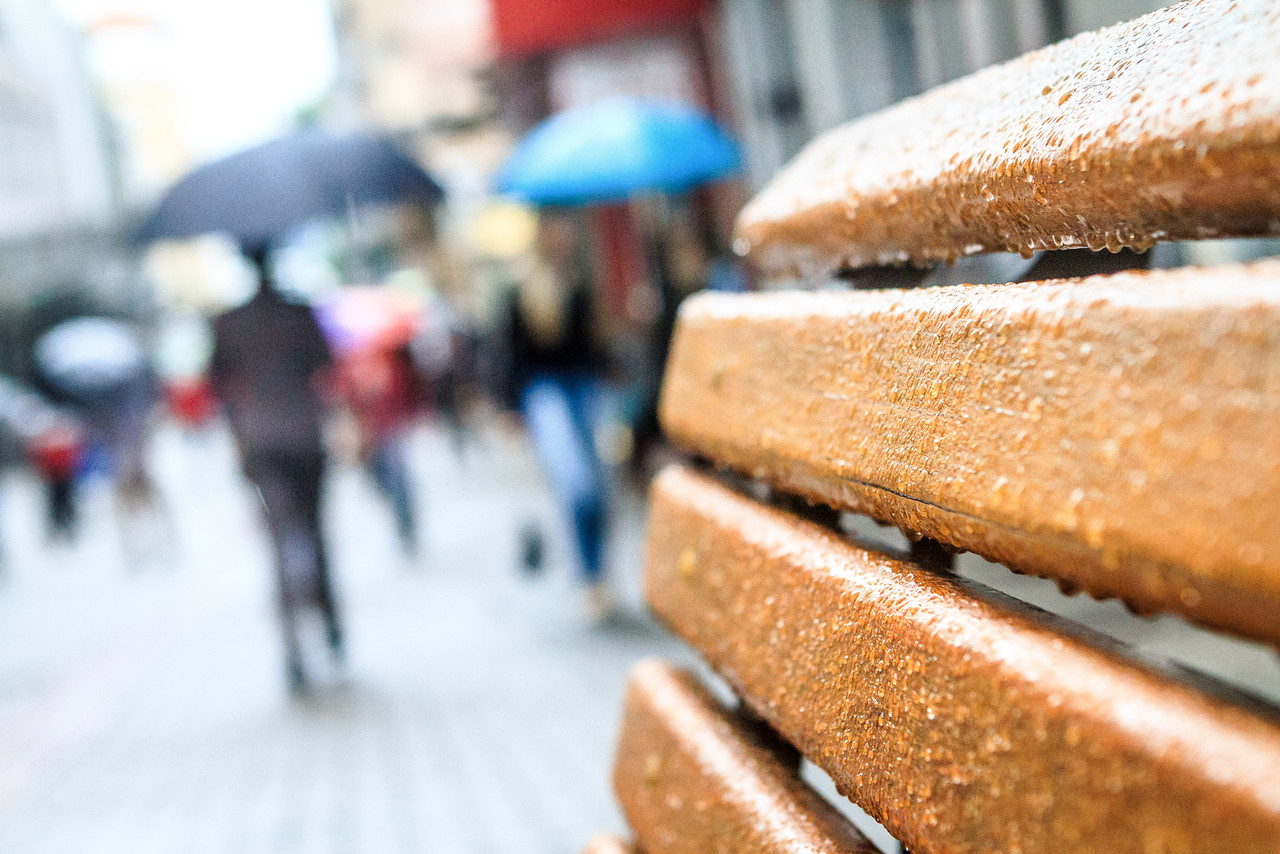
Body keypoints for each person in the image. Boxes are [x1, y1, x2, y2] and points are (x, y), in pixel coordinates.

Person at [209, 242, 341, 692]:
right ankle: (330, 624)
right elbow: (326, 366)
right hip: (305, 435)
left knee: (281, 537)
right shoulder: (299, 313)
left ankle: (291, 643)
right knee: (316, 532)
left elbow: (218, 384)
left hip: (260, 440)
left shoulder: (229, 322)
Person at [501, 216, 613, 619]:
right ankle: (586, 572)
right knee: (575, 484)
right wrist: (511, 409)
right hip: (546, 393)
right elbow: (512, 356)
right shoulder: (520, 291)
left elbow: (594, 351)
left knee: (598, 486)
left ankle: (597, 571)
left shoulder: (579, 285)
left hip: (584, 388)